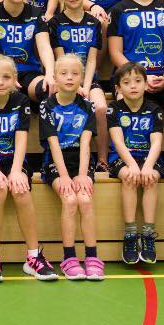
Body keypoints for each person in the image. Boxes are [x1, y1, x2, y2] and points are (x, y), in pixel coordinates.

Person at [0, 54, 53, 282]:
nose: (0, 82)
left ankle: (33, 256)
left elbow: (21, 139)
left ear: (15, 79)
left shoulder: (21, 101)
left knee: (21, 189)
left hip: (13, 158)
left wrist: (16, 170)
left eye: (6, 77)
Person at [37, 53, 102, 280]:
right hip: (55, 162)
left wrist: (83, 174)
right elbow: (53, 144)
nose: (69, 77)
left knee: (85, 199)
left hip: (80, 161)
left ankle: (92, 257)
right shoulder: (47, 105)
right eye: (64, 73)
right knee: (70, 199)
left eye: (75, 73)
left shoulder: (87, 106)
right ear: (55, 77)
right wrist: (64, 176)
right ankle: (69, 258)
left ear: (82, 78)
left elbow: (85, 142)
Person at [108, 61, 163, 266]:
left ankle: (148, 234)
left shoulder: (154, 109)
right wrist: (131, 165)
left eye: (138, 81)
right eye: (127, 82)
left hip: (148, 157)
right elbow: (118, 142)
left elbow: (156, 142)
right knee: (129, 177)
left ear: (146, 84)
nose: (133, 86)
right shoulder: (114, 109)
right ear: (118, 88)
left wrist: (148, 166)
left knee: (151, 178)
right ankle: (130, 234)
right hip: (123, 158)